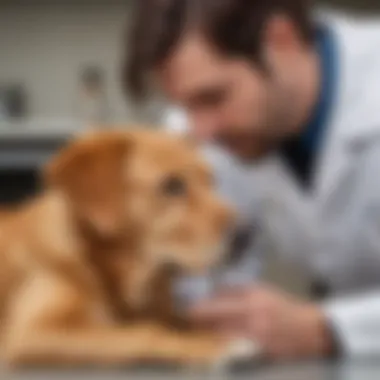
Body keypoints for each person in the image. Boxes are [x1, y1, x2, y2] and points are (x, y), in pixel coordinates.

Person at [123, 0, 380, 359]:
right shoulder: (210, 132)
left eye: (213, 97)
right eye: (184, 106)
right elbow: (206, 279)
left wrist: (325, 328)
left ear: (282, 41)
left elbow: (324, 328)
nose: (200, 131)